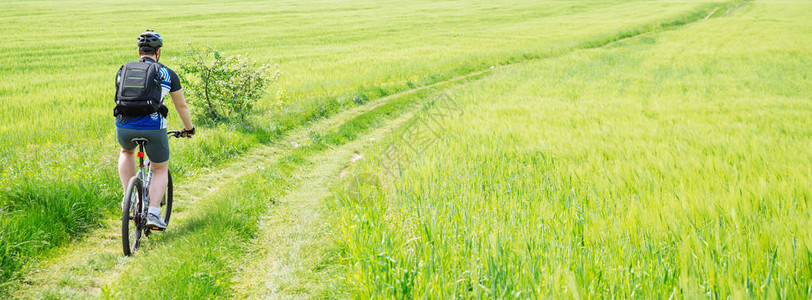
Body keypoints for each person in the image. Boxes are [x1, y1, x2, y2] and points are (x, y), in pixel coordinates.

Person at [115, 30, 195, 230]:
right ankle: (153, 212)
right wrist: (189, 128)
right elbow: (181, 107)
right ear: (158, 51)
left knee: (126, 152)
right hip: (153, 127)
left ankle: (129, 199)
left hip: (124, 126)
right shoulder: (167, 73)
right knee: (160, 168)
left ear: (139, 50)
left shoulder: (123, 70)